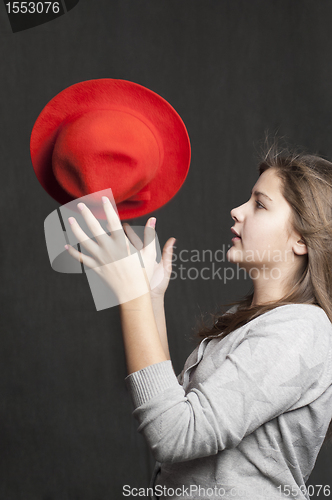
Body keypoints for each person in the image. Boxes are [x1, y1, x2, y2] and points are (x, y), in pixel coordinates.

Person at [64, 144, 332, 500]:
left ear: (301, 238)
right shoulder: (244, 322)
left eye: (260, 204)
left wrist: (133, 296)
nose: (236, 211)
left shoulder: (302, 330)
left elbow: (174, 435)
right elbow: (171, 405)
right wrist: (150, 295)